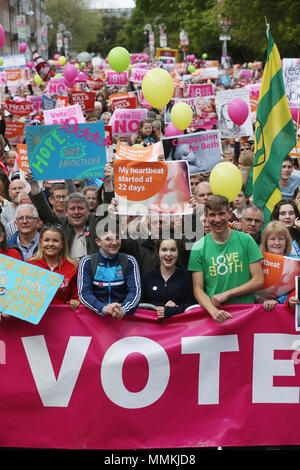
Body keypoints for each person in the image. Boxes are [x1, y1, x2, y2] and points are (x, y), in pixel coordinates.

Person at [188, 195, 264, 323]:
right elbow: (198, 289)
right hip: (215, 316)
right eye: (212, 215)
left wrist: (228, 294)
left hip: (245, 314)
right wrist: (213, 311)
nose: (217, 219)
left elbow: (258, 280)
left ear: (229, 214)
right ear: (206, 217)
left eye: (221, 214)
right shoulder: (198, 247)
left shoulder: (246, 240)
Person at [77, 222, 141, 319]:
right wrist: (103, 308)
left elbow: (135, 292)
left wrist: (123, 310)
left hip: (122, 319)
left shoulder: (129, 261)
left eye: (117, 237)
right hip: (94, 320)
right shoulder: (87, 262)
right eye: (108, 239)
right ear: (98, 241)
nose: (114, 242)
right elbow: (84, 293)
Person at [27, 224, 80, 310]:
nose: (50, 244)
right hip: (35, 318)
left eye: (55, 241)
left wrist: (75, 300)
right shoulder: (30, 264)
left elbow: (76, 294)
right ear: (41, 242)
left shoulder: (73, 266)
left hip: (62, 319)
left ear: (62, 244)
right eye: (46, 240)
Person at [141, 238, 195, 319]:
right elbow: (140, 305)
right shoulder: (148, 276)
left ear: (178, 253)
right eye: (164, 250)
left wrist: (175, 309)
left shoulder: (186, 276)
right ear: (158, 253)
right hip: (151, 327)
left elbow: (192, 305)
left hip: (179, 328)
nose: (168, 254)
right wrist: (159, 309)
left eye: (173, 250)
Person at [259, 220, 296, 311]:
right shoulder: (258, 260)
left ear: (286, 241)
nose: (277, 243)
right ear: (266, 242)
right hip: (260, 308)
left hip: (286, 310)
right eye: (272, 239)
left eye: (281, 239)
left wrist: (279, 301)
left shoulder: (296, 262)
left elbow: (296, 289)